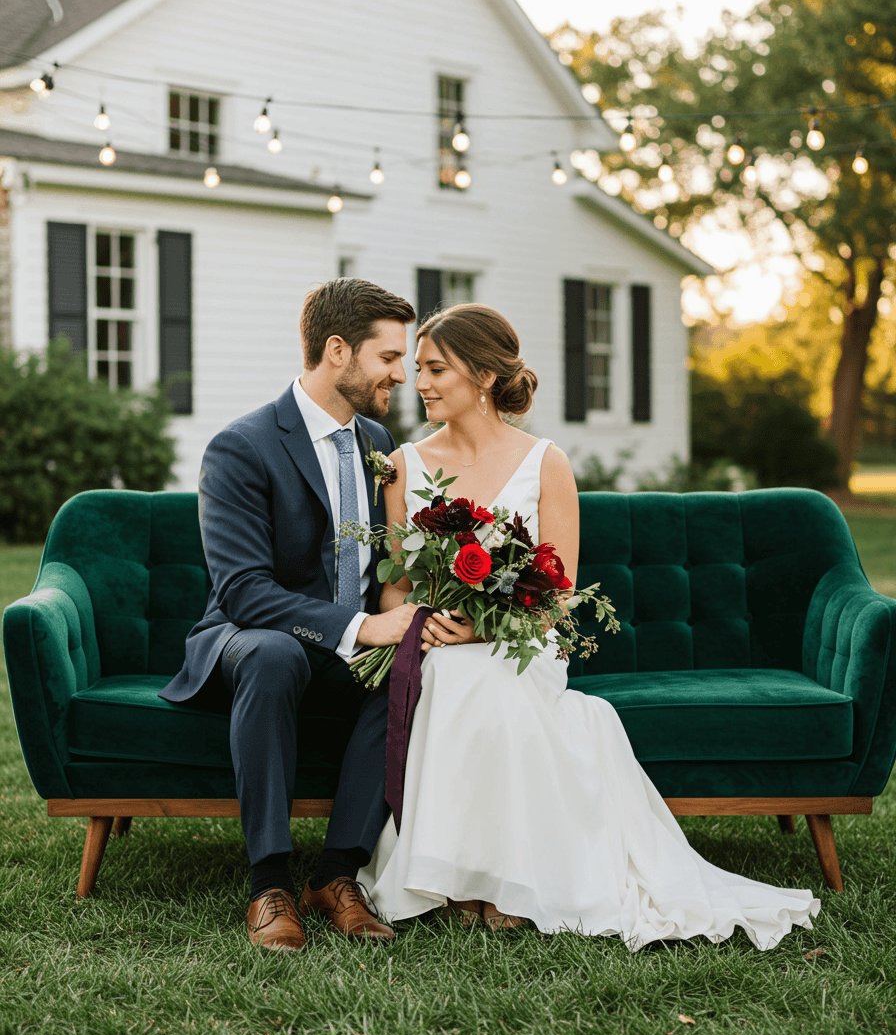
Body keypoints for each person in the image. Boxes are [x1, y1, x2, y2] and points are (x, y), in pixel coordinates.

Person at [358, 304, 820, 950]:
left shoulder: (545, 462)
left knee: (486, 677)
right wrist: (423, 623)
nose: (421, 383)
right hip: (437, 638)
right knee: (455, 674)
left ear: (484, 375)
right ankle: (460, 876)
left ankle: (504, 880)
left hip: (523, 640)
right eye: (418, 368)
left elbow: (557, 596)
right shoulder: (405, 464)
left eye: (436, 369)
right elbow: (394, 588)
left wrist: (484, 629)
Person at [161, 278, 420, 951]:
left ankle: (337, 876)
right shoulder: (242, 446)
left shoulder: (377, 440)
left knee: (406, 668)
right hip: (248, 638)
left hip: (343, 651)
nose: (402, 374)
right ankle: (269, 884)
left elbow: (388, 562)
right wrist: (360, 628)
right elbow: (244, 591)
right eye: (389, 357)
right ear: (337, 350)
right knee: (275, 653)